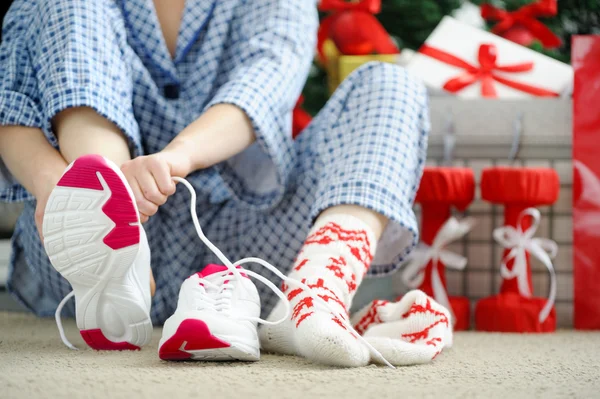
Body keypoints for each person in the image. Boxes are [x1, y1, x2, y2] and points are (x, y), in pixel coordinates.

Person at [0, 0, 433, 367]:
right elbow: (11, 101)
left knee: (392, 84)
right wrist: (56, 189)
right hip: (74, 255)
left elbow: (266, 83)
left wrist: (177, 157)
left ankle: (313, 297)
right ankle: (103, 207)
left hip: (246, 240)